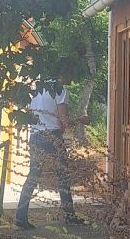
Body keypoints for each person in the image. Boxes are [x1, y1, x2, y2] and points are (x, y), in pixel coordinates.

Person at [15, 71, 85, 229]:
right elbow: (64, 121)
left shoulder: (37, 89)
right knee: (62, 176)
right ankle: (69, 215)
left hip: (35, 136)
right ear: (63, 72)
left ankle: (20, 217)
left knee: (33, 176)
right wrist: (81, 119)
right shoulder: (59, 90)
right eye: (69, 75)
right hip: (52, 138)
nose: (71, 79)